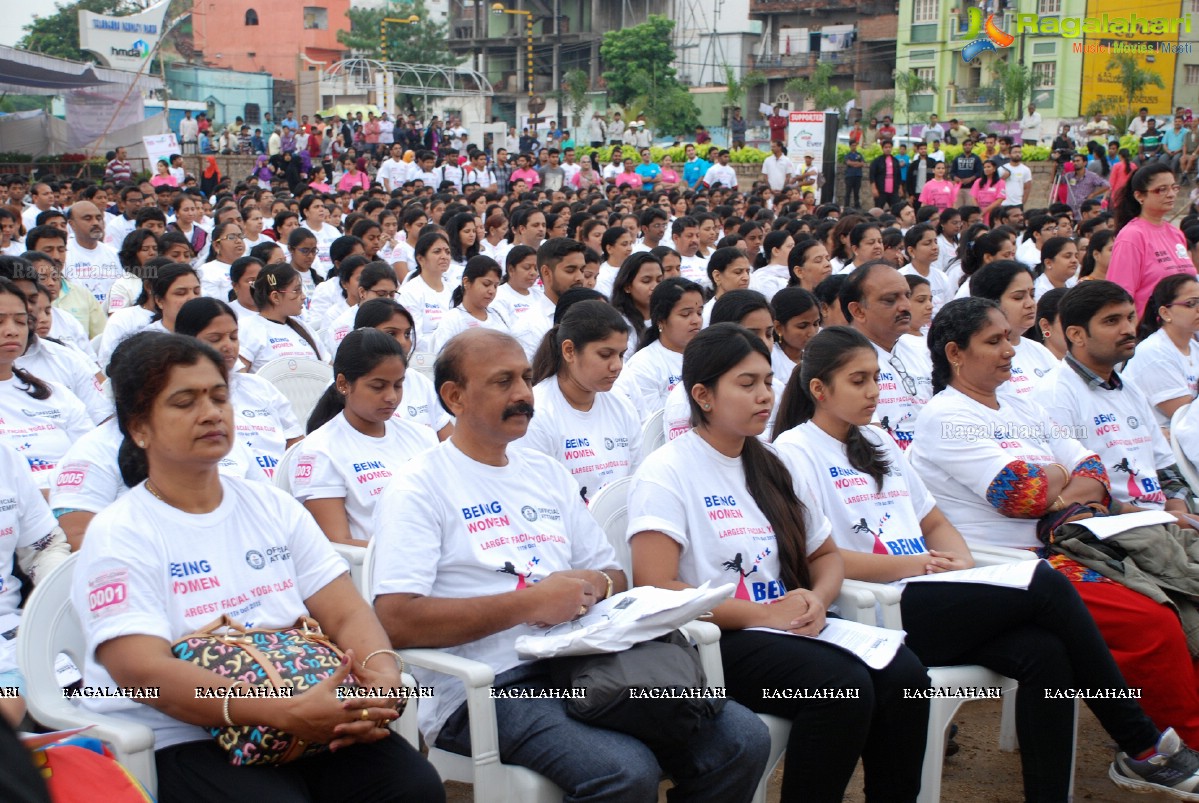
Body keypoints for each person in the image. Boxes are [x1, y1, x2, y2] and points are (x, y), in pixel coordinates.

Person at [773, 324, 1199, 803]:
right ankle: (1138, 739)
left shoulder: (878, 442)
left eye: (875, 378)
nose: (874, 392)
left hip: (929, 589)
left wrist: (958, 559)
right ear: (818, 389)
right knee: (1042, 581)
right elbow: (815, 560)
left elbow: (933, 520)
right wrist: (913, 566)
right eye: (858, 381)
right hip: (874, 609)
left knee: (1046, 655)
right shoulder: (793, 452)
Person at [372, 327, 769, 802]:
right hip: (492, 688)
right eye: (503, 382)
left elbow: (613, 575)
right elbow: (395, 620)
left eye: (523, 377)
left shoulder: (545, 473)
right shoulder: (418, 487)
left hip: (583, 664)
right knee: (623, 770)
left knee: (741, 740)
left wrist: (593, 587)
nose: (523, 393)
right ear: (454, 397)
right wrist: (530, 603)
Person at [71, 331, 444, 803]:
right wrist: (279, 711)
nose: (210, 413)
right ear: (139, 428)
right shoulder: (121, 531)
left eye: (219, 397)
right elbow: (142, 671)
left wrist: (383, 678)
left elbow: (347, 613)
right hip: (183, 732)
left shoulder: (271, 505)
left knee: (412, 787)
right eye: (184, 402)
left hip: (307, 707)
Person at [629, 322, 927, 802]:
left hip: (788, 628)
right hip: (716, 642)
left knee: (906, 675)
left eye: (767, 381)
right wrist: (765, 614)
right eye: (746, 384)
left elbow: (825, 556)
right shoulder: (667, 471)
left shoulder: (773, 462)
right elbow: (656, 587)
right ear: (703, 396)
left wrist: (817, 598)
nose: (764, 395)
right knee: (841, 690)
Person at [912, 296, 1199, 750]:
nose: (1010, 348)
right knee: (1151, 620)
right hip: (1009, 565)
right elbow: (1018, 494)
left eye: (1008, 337)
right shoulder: (947, 417)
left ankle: (1175, 734)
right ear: (954, 353)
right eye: (994, 340)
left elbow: (1097, 473)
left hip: (1073, 545)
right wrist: (1063, 480)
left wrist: (1053, 486)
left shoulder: (1019, 406)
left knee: (1182, 596)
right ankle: (1175, 745)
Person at [1035, 281, 1193, 519]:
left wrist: (1178, 515)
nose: (1128, 329)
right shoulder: (1055, 395)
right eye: (1111, 321)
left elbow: (1166, 469)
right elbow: (1075, 495)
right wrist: (1168, 521)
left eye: (1130, 317)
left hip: (1161, 521)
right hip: (1114, 528)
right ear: (1077, 334)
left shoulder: (1128, 388)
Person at [295, 329, 438, 546]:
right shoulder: (320, 450)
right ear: (343, 384)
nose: (391, 397)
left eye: (398, 385)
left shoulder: (423, 437)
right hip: (375, 570)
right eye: (378, 386)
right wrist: (410, 552)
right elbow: (336, 543)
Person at [519, 299, 642, 502]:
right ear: (569, 351)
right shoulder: (536, 413)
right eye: (605, 354)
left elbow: (637, 481)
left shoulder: (622, 406)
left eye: (621, 355)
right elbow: (534, 498)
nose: (617, 366)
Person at [174, 298, 302, 480]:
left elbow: (295, 442)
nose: (229, 346)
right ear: (186, 342)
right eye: (215, 339)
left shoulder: (260, 387)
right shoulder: (177, 400)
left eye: (233, 337)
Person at [0, 276, 93, 492]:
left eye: (21, 321)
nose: (12, 330)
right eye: (0, 321)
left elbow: (92, 459)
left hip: (70, 506)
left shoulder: (56, 394)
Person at [842, 262, 933, 450]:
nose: (905, 306)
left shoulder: (920, 350)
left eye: (907, 296)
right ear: (858, 311)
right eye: (890, 300)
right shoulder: (841, 360)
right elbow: (871, 440)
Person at [354, 299, 453, 441]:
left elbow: (449, 441)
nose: (403, 342)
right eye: (391, 334)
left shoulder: (420, 382)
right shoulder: (351, 384)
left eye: (407, 334)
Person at [1109, 162, 1195, 318]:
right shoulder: (1132, 236)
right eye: (1162, 189)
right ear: (1139, 196)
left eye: (1173, 188)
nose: (1171, 194)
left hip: (1183, 333)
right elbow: (1120, 295)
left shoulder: (1175, 233)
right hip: (1148, 332)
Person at [613, 276, 704, 420]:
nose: (696, 321)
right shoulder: (644, 365)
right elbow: (653, 423)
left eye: (699, 313)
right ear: (661, 320)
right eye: (686, 314)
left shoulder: (709, 354)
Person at [970, 260, 1059, 397]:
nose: (1030, 304)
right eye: (1018, 297)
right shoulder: (979, 357)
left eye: (1032, 295)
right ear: (990, 302)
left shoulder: (1040, 351)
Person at [1124, 274, 1199, 427]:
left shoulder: (1194, 347)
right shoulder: (1155, 353)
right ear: (1165, 313)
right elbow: (1186, 417)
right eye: (1191, 303)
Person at [238, 264, 326, 371]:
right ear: (275, 297)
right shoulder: (248, 328)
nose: (303, 297)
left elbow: (328, 368)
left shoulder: (303, 327)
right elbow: (240, 377)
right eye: (296, 291)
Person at [510, 238, 587, 360]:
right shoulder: (529, 328)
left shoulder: (589, 313)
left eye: (582, 270)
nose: (580, 277)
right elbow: (532, 377)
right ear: (546, 272)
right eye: (570, 270)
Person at [431, 255, 510, 354]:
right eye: (486, 284)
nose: (492, 291)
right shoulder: (452, 320)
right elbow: (443, 361)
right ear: (466, 282)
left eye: (495, 286)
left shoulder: (498, 316)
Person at [64, 201, 123, 314]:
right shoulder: (64, 254)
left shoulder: (115, 254)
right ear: (72, 224)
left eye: (99, 218)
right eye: (88, 218)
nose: (95, 223)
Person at [397, 232, 455, 344]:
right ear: (420, 259)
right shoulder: (410, 292)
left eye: (447, 252)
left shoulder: (453, 289)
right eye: (437, 251)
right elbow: (414, 338)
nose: (444, 256)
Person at [609, 252, 665, 352]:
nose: (655, 287)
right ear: (627, 286)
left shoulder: (668, 316)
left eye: (659, 280)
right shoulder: (619, 322)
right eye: (646, 281)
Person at [899, 224, 952, 315]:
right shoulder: (901, 277)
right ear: (911, 250)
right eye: (927, 243)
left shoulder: (942, 276)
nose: (935, 247)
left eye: (936, 242)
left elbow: (950, 308)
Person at [197, 221, 246, 301]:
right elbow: (213, 303)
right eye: (231, 237)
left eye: (240, 236)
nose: (239, 241)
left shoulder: (250, 265)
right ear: (217, 245)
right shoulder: (207, 270)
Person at [748, 231, 793, 302]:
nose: (794, 250)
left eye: (794, 246)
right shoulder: (762, 277)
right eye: (790, 246)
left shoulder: (796, 271)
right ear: (776, 251)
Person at [843, 141, 866, 208]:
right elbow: (848, 163)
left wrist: (854, 163)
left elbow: (862, 163)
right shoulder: (847, 155)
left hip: (858, 175)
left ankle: (857, 206)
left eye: (855, 145)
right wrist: (856, 163)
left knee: (856, 192)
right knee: (848, 192)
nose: (854, 147)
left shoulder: (859, 155)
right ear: (850, 146)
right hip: (849, 176)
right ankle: (846, 206)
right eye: (852, 145)